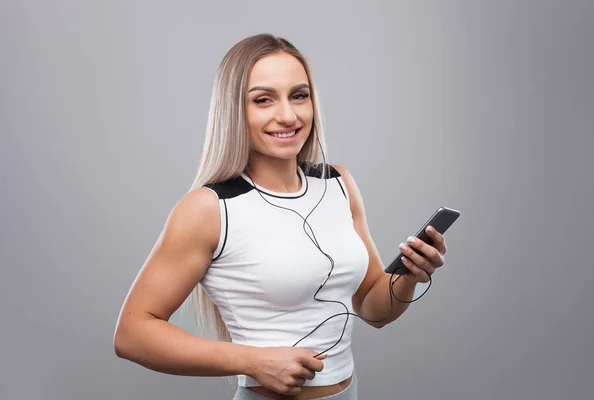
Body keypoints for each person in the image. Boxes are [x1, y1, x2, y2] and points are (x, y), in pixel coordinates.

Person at [113, 33, 448, 400]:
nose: (287, 115)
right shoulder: (209, 209)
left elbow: (373, 308)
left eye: (299, 96)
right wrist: (253, 361)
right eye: (263, 100)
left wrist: (409, 276)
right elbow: (132, 333)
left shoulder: (338, 183)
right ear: (234, 109)